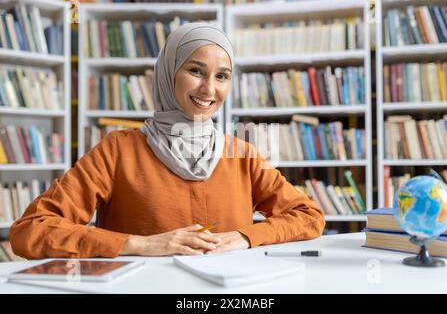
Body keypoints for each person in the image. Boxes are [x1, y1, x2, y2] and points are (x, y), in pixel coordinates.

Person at [9, 23, 325, 259]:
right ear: (168, 72)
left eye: (222, 76)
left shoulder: (240, 152)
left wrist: (246, 237)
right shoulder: (118, 150)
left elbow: (309, 216)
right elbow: (31, 230)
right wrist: (139, 244)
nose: (209, 89)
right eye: (196, 71)